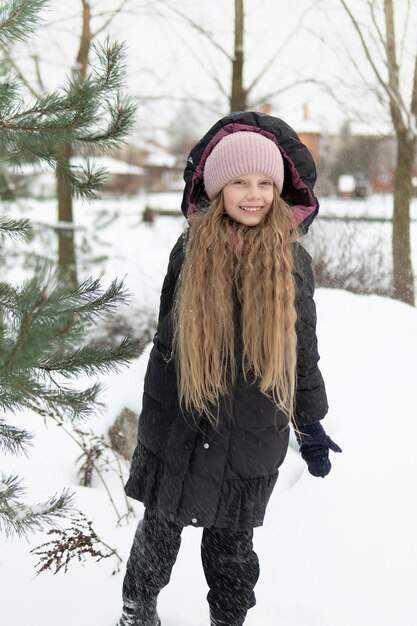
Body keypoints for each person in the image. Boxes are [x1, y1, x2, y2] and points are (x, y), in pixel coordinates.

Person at [117, 111, 341, 626]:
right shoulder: (189, 249)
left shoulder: (291, 262)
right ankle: (137, 609)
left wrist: (309, 422)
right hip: (182, 418)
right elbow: (165, 334)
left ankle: (228, 619)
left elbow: (301, 350)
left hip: (250, 427)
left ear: (280, 189)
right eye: (239, 181)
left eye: (265, 182)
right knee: (160, 527)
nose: (254, 193)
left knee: (233, 548)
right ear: (218, 188)